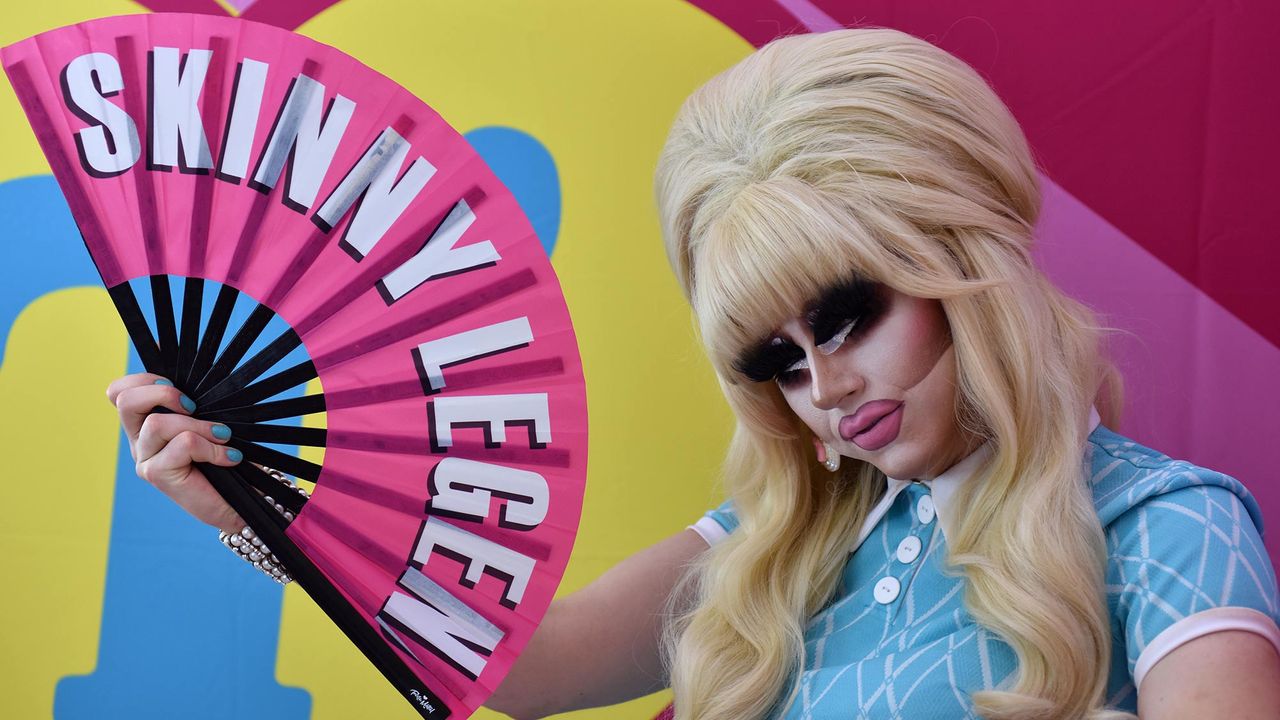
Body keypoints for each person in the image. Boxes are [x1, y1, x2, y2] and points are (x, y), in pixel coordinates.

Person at [106, 27, 1280, 720]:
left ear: (958, 261)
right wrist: (256, 508)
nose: (820, 385)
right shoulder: (789, 535)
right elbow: (524, 670)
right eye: (774, 357)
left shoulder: (1168, 530)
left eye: (846, 312)